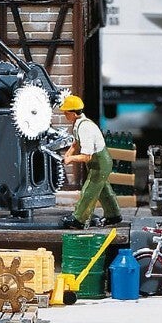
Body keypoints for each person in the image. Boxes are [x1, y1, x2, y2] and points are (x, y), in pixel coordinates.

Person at [59, 94, 122, 229]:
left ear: (73, 113)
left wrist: (71, 159)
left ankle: (79, 220)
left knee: (89, 191)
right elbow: (76, 143)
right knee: (104, 190)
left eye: (66, 112)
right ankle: (113, 215)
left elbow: (86, 156)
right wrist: (68, 154)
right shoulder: (78, 124)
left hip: (100, 163)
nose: (64, 115)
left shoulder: (85, 128)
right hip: (97, 163)